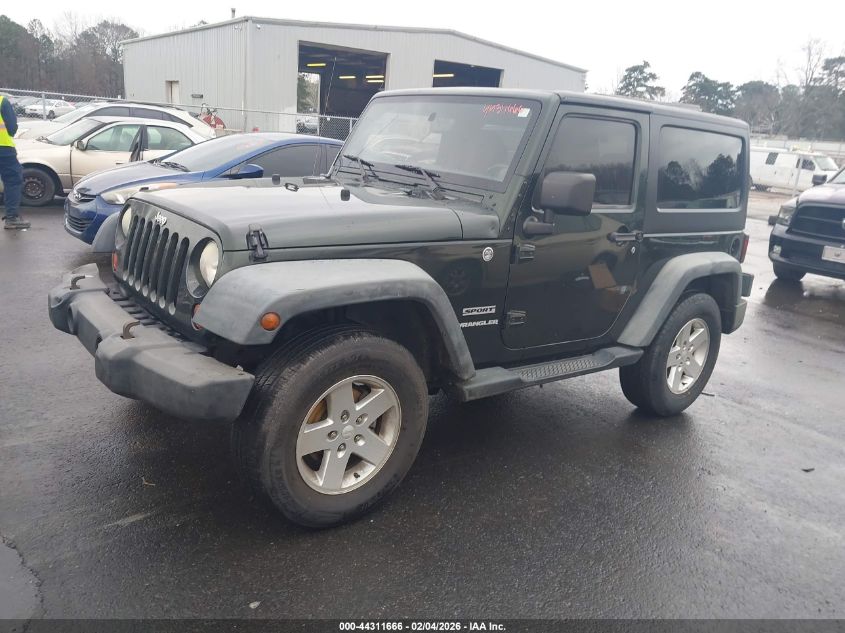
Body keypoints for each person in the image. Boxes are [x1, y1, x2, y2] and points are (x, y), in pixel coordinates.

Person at [0, 95, 30, 230]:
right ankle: (11, 218)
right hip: (3, 148)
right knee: (12, 180)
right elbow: (12, 127)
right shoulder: (2, 101)